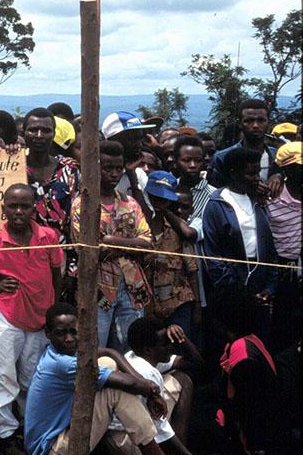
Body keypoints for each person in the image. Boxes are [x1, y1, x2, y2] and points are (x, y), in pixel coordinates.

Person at [23, 303, 203, 455]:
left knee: (107, 363)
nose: (69, 339)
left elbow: (109, 353)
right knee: (114, 390)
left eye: (73, 332)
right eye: (61, 333)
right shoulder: (63, 364)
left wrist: (145, 389)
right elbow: (132, 383)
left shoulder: (56, 351)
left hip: (54, 441)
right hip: (51, 452)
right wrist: (152, 392)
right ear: (48, 332)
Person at [0, 184, 63, 455]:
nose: (18, 211)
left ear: (34, 207)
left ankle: (30, 430)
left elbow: (57, 273)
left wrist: (51, 309)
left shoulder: (48, 237)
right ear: (3, 207)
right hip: (7, 315)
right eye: (13, 206)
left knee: (32, 378)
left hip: (40, 318)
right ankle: (5, 432)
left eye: (25, 206)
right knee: (3, 375)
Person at [103, 318, 229, 455]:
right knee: (183, 380)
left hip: (115, 443)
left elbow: (196, 364)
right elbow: (161, 425)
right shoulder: (148, 373)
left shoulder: (134, 356)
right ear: (149, 349)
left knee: (180, 377)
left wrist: (182, 338)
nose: (171, 347)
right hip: (133, 447)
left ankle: (177, 453)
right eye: (165, 344)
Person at [72, 140, 153, 352]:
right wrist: (129, 246)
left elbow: (147, 241)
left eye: (118, 168)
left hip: (131, 287)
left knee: (129, 348)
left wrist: (110, 241)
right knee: (95, 349)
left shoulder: (130, 203)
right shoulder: (82, 205)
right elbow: (89, 250)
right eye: (108, 168)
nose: (114, 174)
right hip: (97, 289)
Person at [201, 147, 278, 346]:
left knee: (259, 345)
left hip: (259, 288)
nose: (256, 178)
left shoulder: (259, 202)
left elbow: (270, 249)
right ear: (233, 173)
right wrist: (239, 294)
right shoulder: (217, 204)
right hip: (231, 292)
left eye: (258, 172)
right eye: (250, 173)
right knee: (233, 346)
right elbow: (214, 256)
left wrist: (269, 288)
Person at [216, 304, 292, 455]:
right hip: (251, 423)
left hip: (253, 430)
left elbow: (250, 403)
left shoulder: (242, 352)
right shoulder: (249, 340)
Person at [22, 107, 81, 299]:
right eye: (33, 129)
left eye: (46, 130)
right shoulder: (13, 167)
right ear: (24, 132)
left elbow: (76, 221)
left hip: (62, 257)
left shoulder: (69, 170)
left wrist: (73, 269)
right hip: (22, 258)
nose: (39, 135)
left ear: (54, 134)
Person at [139, 171, 200, 335]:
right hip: (148, 305)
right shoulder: (139, 227)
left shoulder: (178, 228)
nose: (158, 203)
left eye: (163, 199)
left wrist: (197, 308)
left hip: (178, 303)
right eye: (155, 198)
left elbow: (192, 270)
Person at [266, 142, 301, 352]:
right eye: (298, 167)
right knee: (276, 323)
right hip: (275, 265)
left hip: (297, 267)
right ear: (286, 169)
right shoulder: (272, 195)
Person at [208, 99, 281, 193]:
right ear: (240, 124)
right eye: (249, 121)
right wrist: (246, 186)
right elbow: (213, 192)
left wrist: (279, 175)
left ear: (268, 122)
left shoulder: (277, 155)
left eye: (261, 120)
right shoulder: (222, 158)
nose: (255, 125)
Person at [101, 111, 157, 202]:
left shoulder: (139, 174)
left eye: (139, 138)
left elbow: (147, 215)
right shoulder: (94, 174)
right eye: (132, 139)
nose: (138, 144)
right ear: (112, 140)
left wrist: (132, 178)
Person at [171, 135, 214, 222]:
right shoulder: (168, 188)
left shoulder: (213, 196)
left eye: (198, 160)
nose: (193, 165)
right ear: (175, 162)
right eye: (186, 160)